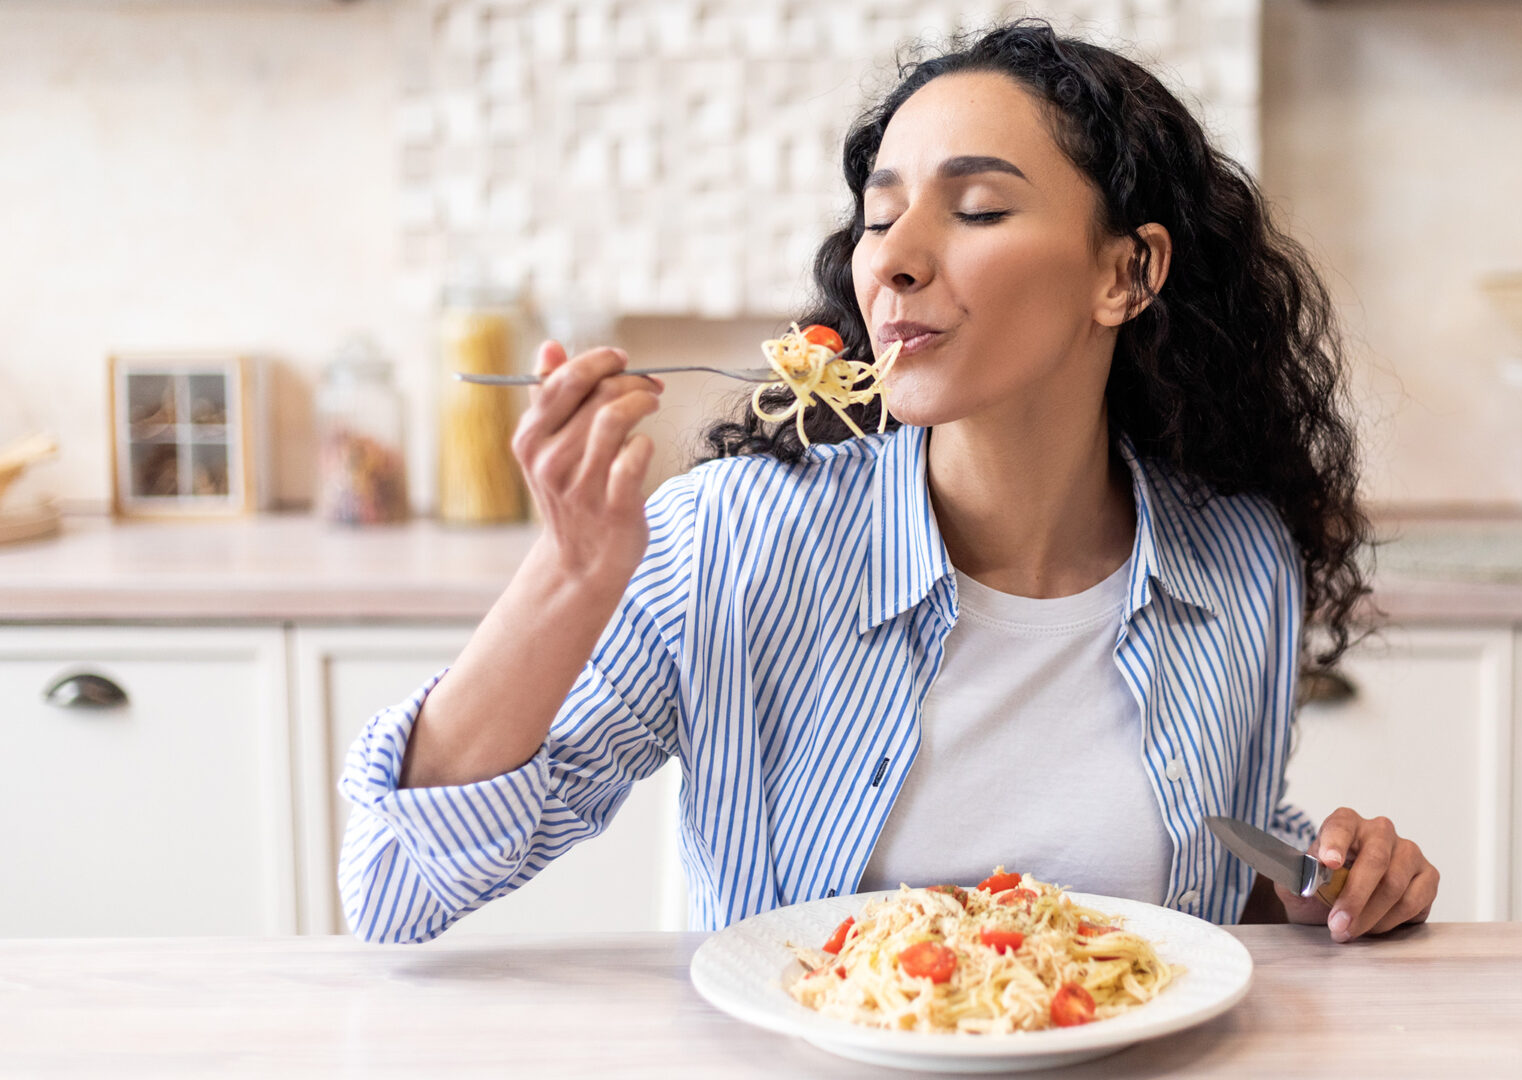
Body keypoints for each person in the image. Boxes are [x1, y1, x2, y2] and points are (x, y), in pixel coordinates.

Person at [338, 20, 1437, 945]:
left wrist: (1328, 880)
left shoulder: (1239, 562)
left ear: (1126, 272)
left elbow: (1208, 875)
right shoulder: (734, 540)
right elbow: (393, 888)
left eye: (977, 211)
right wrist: (572, 574)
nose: (893, 259)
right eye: (878, 214)